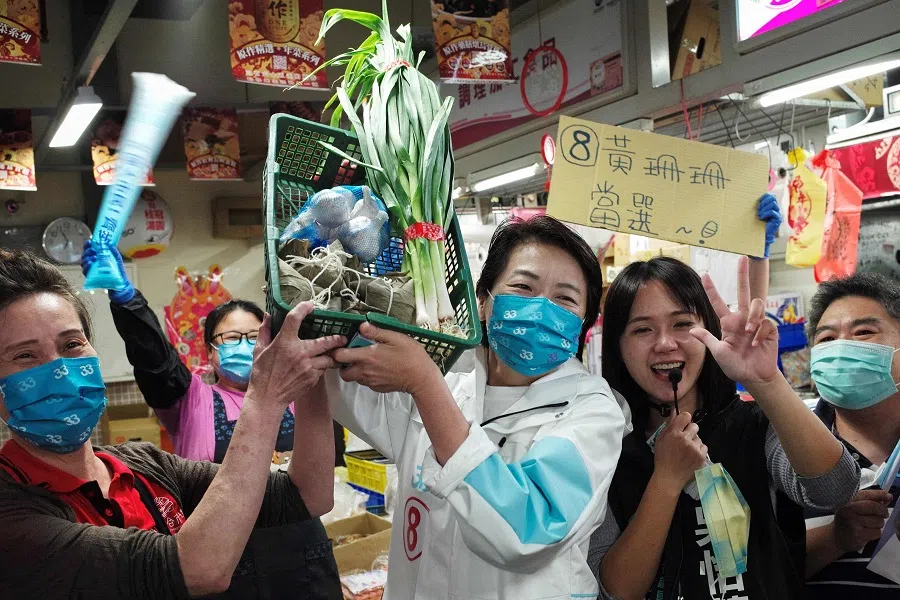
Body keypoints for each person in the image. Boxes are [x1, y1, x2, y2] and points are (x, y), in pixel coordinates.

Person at [0, 249, 345, 599]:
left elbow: (308, 494)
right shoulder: (12, 511)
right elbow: (197, 569)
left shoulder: (143, 466)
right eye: (24, 355)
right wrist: (266, 397)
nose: (59, 369)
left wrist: (312, 366)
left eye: (72, 344)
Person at [326, 216, 631, 599]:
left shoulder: (592, 411)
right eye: (522, 287)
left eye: (564, 299)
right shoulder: (451, 377)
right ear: (483, 301)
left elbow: (527, 530)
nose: (540, 309)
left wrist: (425, 385)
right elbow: (341, 386)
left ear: (581, 325)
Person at [589, 255, 860, 600]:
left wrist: (766, 381)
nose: (665, 343)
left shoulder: (754, 426)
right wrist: (666, 480)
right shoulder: (605, 450)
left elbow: (836, 490)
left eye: (683, 324)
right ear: (617, 346)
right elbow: (614, 591)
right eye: (642, 329)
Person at [82, 241, 341, 463]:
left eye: (254, 337)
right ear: (210, 351)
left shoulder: (296, 395)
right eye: (231, 338)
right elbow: (157, 362)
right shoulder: (192, 401)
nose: (245, 345)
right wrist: (127, 300)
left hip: (301, 521)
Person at [804, 272, 900, 598]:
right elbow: (750, 571)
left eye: (863, 332)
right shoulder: (782, 450)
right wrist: (834, 538)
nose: (843, 347)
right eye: (827, 340)